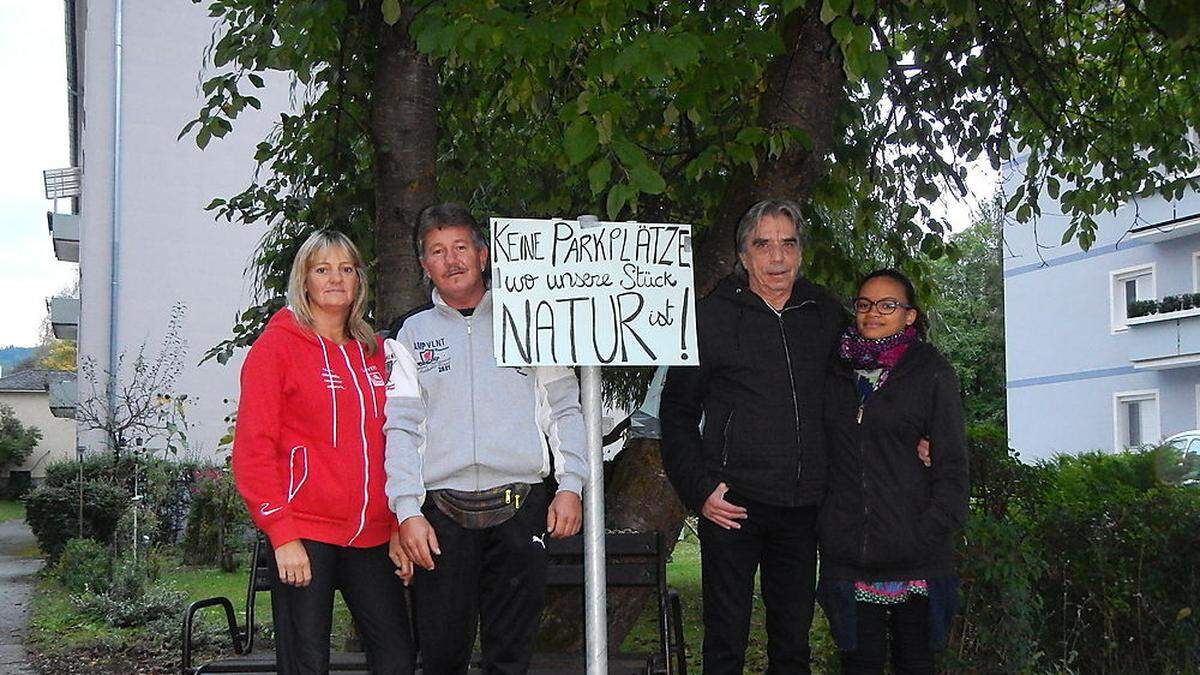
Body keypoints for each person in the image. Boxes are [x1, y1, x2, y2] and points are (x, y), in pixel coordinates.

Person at [383, 202, 588, 675]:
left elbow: (564, 409)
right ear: (424, 266)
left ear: (483, 255)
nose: (451, 260)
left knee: (511, 656)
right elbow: (401, 427)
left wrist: (571, 486)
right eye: (437, 252)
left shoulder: (532, 319)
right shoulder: (408, 335)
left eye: (460, 247)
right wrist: (408, 512)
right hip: (440, 517)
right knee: (441, 655)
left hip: (521, 510)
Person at [659, 199, 846, 674]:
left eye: (788, 243)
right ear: (744, 255)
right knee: (724, 644)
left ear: (801, 252)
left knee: (793, 646)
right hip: (732, 507)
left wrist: (920, 434)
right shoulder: (711, 318)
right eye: (764, 244)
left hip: (803, 509)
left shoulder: (824, 315)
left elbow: (863, 389)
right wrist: (700, 489)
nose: (777, 258)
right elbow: (677, 413)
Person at [232, 230, 414, 674]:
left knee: (398, 658)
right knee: (306, 665)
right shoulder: (276, 348)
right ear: (304, 280)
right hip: (305, 533)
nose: (336, 278)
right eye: (322, 269)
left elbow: (397, 440)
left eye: (346, 268)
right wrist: (281, 533)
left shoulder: (375, 352)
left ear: (358, 281)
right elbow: (253, 449)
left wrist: (396, 522)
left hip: (372, 534)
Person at [817, 269, 970, 675]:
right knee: (858, 666)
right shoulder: (834, 371)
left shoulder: (932, 371)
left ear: (910, 316)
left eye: (888, 305)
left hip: (917, 556)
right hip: (850, 555)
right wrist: (828, 527)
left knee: (916, 665)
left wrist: (926, 531)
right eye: (864, 304)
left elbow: (953, 465)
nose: (873, 313)